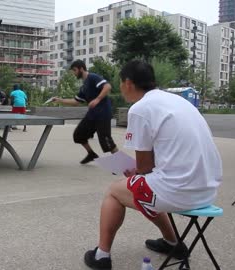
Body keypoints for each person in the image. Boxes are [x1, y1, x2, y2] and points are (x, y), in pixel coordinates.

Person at [83, 60, 222, 269]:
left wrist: (134, 172)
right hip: (207, 190)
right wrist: (140, 173)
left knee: (114, 191)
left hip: (179, 191)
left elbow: (145, 167)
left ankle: (101, 255)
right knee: (146, 186)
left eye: (121, 83)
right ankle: (172, 243)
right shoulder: (177, 101)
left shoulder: (140, 108)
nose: (121, 88)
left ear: (128, 83)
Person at [52, 60, 118, 164]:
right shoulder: (84, 86)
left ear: (81, 69)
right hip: (92, 115)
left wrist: (97, 99)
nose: (74, 73)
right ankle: (91, 154)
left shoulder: (92, 77)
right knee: (79, 135)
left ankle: (122, 165)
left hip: (103, 113)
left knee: (106, 140)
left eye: (74, 70)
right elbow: (76, 101)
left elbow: (107, 86)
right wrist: (60, 100)